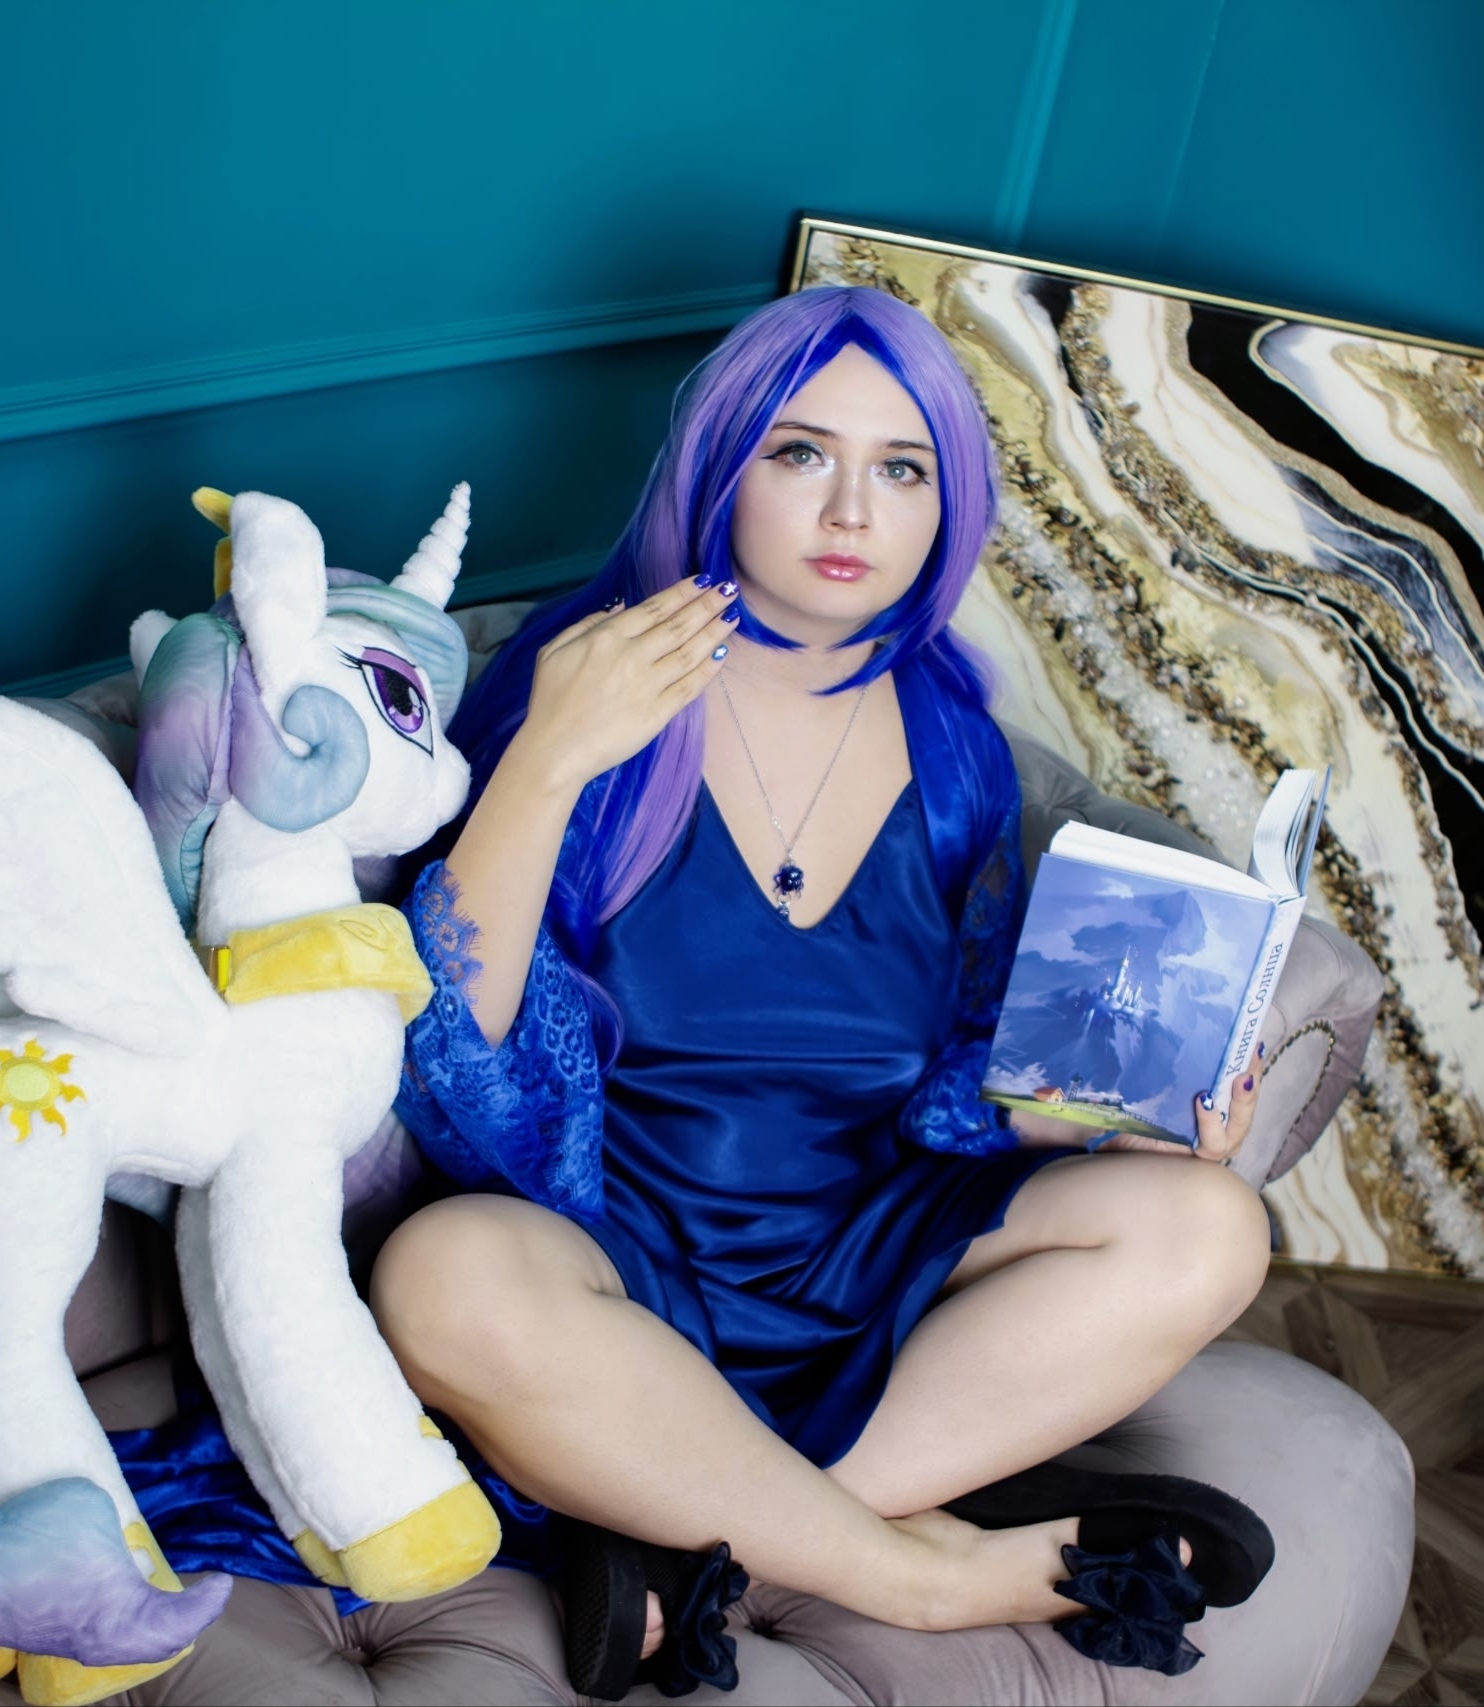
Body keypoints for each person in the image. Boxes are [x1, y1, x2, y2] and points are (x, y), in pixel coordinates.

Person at [376, 286, 1274, 1696]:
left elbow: (955, 1084)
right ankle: (918, 1571)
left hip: (865, 1247)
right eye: (801, 453)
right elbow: (453, 1078)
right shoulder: (587, 680)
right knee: (441, 1275)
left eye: (902, 468)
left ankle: (688, 1525)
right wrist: (546, 761)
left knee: (1210, 1227)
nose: (853, 509)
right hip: (625, 1258)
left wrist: (1112, 1122)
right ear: (721, 471)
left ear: (946, 502)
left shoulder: (960, 745)